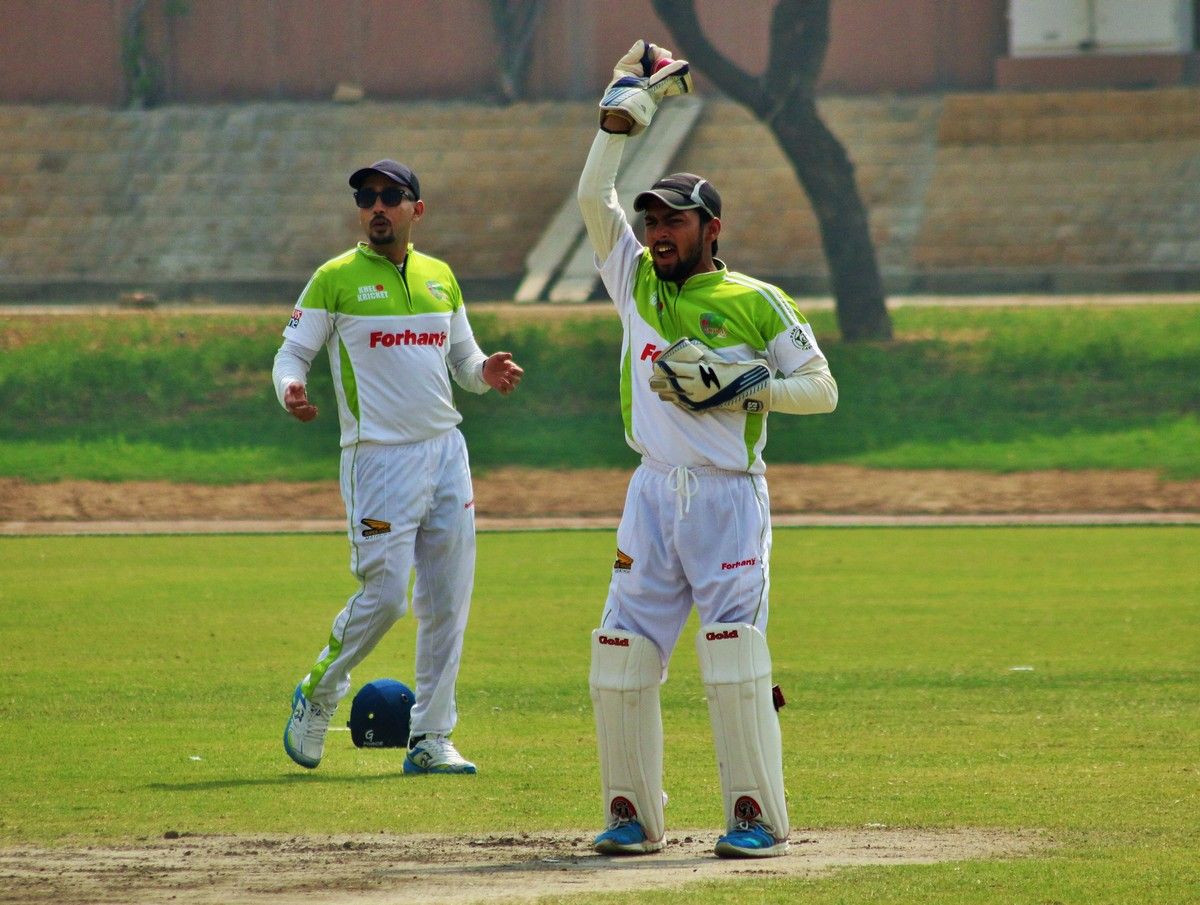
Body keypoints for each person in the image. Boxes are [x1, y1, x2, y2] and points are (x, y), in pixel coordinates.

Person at [577, 42, 839, 858]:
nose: (657, 232)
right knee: (621, 653)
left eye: (674, 220)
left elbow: (822, 389)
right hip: (652, 493)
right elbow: (592, 196)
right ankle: (632, 814)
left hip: (728, 496)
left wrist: (744, 387)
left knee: (733, 654)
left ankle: (756, 816)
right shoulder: (634, 281)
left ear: (710, 228)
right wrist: (618, 117)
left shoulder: (756, 300)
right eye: (652, 220)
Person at [274, 158, 524, 775]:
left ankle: (430, 737)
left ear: (417, 208)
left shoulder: (441, 277)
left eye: (390, 195)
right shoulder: (334, 278)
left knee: (447, 601)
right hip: (378, 461)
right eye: (366, 197)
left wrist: (486, 372)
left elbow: (463, 363)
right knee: (386, 598)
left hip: (446, 454)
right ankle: (319, 692)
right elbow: (292, 353)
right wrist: (290, 390)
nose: (377, 206)